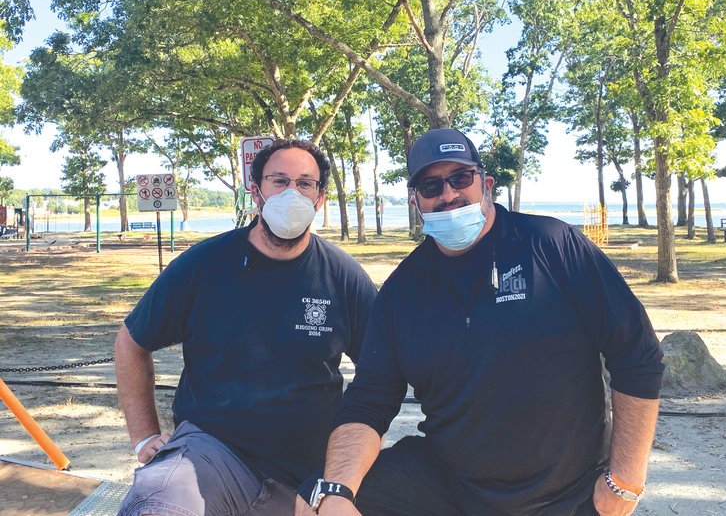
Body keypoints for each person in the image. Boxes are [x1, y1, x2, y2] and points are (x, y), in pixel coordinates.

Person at [296, 128, 664, 516]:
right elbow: (369, 400)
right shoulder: (402, 290)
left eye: (460, 178)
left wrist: (624, 482)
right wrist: (336, 490)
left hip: (565, 493)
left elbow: (636, 354)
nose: (448, 194)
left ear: (485, 183)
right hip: (451, 484)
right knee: (314, 498)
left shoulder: (552, 245)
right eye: (431, 185)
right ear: (415, 201)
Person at [116, 139, 377, 516]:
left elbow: (380, 373)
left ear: (320, 198)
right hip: (210, 453)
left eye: (305, 184)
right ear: (256, 192)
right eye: (279, 181)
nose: (292, 193)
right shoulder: (204, 265)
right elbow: (131, 342)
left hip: (309, 472)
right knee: (159, 500)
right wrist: (143, 436)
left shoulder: (343, 276)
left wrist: (341, 474)